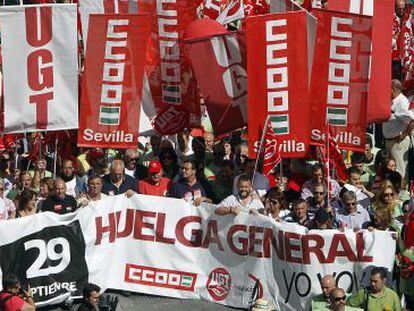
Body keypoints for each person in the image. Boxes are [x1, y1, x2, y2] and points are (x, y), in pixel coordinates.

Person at [382, 79, 414, 182]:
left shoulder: (402, 102)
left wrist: (404, 134)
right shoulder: (392, 101)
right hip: (390, 141)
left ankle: (402, 194)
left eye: (387, 89)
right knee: (390, 169)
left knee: (400, 170)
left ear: (393, 89)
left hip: (398, 142)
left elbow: (412, 120)